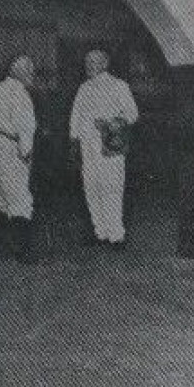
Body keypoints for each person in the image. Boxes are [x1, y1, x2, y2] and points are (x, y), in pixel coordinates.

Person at [68, 49, 138, 248]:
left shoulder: (119, 86)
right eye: (87, 62)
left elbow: (132, 114)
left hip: (110, 145)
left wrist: (110, 123)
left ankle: (116, 235)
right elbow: (75, 115)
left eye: (93, 62)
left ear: (105, 64)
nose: (88, 65)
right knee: (91, 187)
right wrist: (74, 141)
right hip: (87, 146)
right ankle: (99, 232)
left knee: (111, 187)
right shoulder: (84, 88)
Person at [0, 55, 38, 262]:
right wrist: (25, 154)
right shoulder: (20, 94)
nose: (32, 76)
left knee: (1, 196)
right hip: (13, 148)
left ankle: (0, 245)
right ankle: (23, 252)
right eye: (30, 72)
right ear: (21, 73)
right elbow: (25, 128)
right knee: (21, 200)